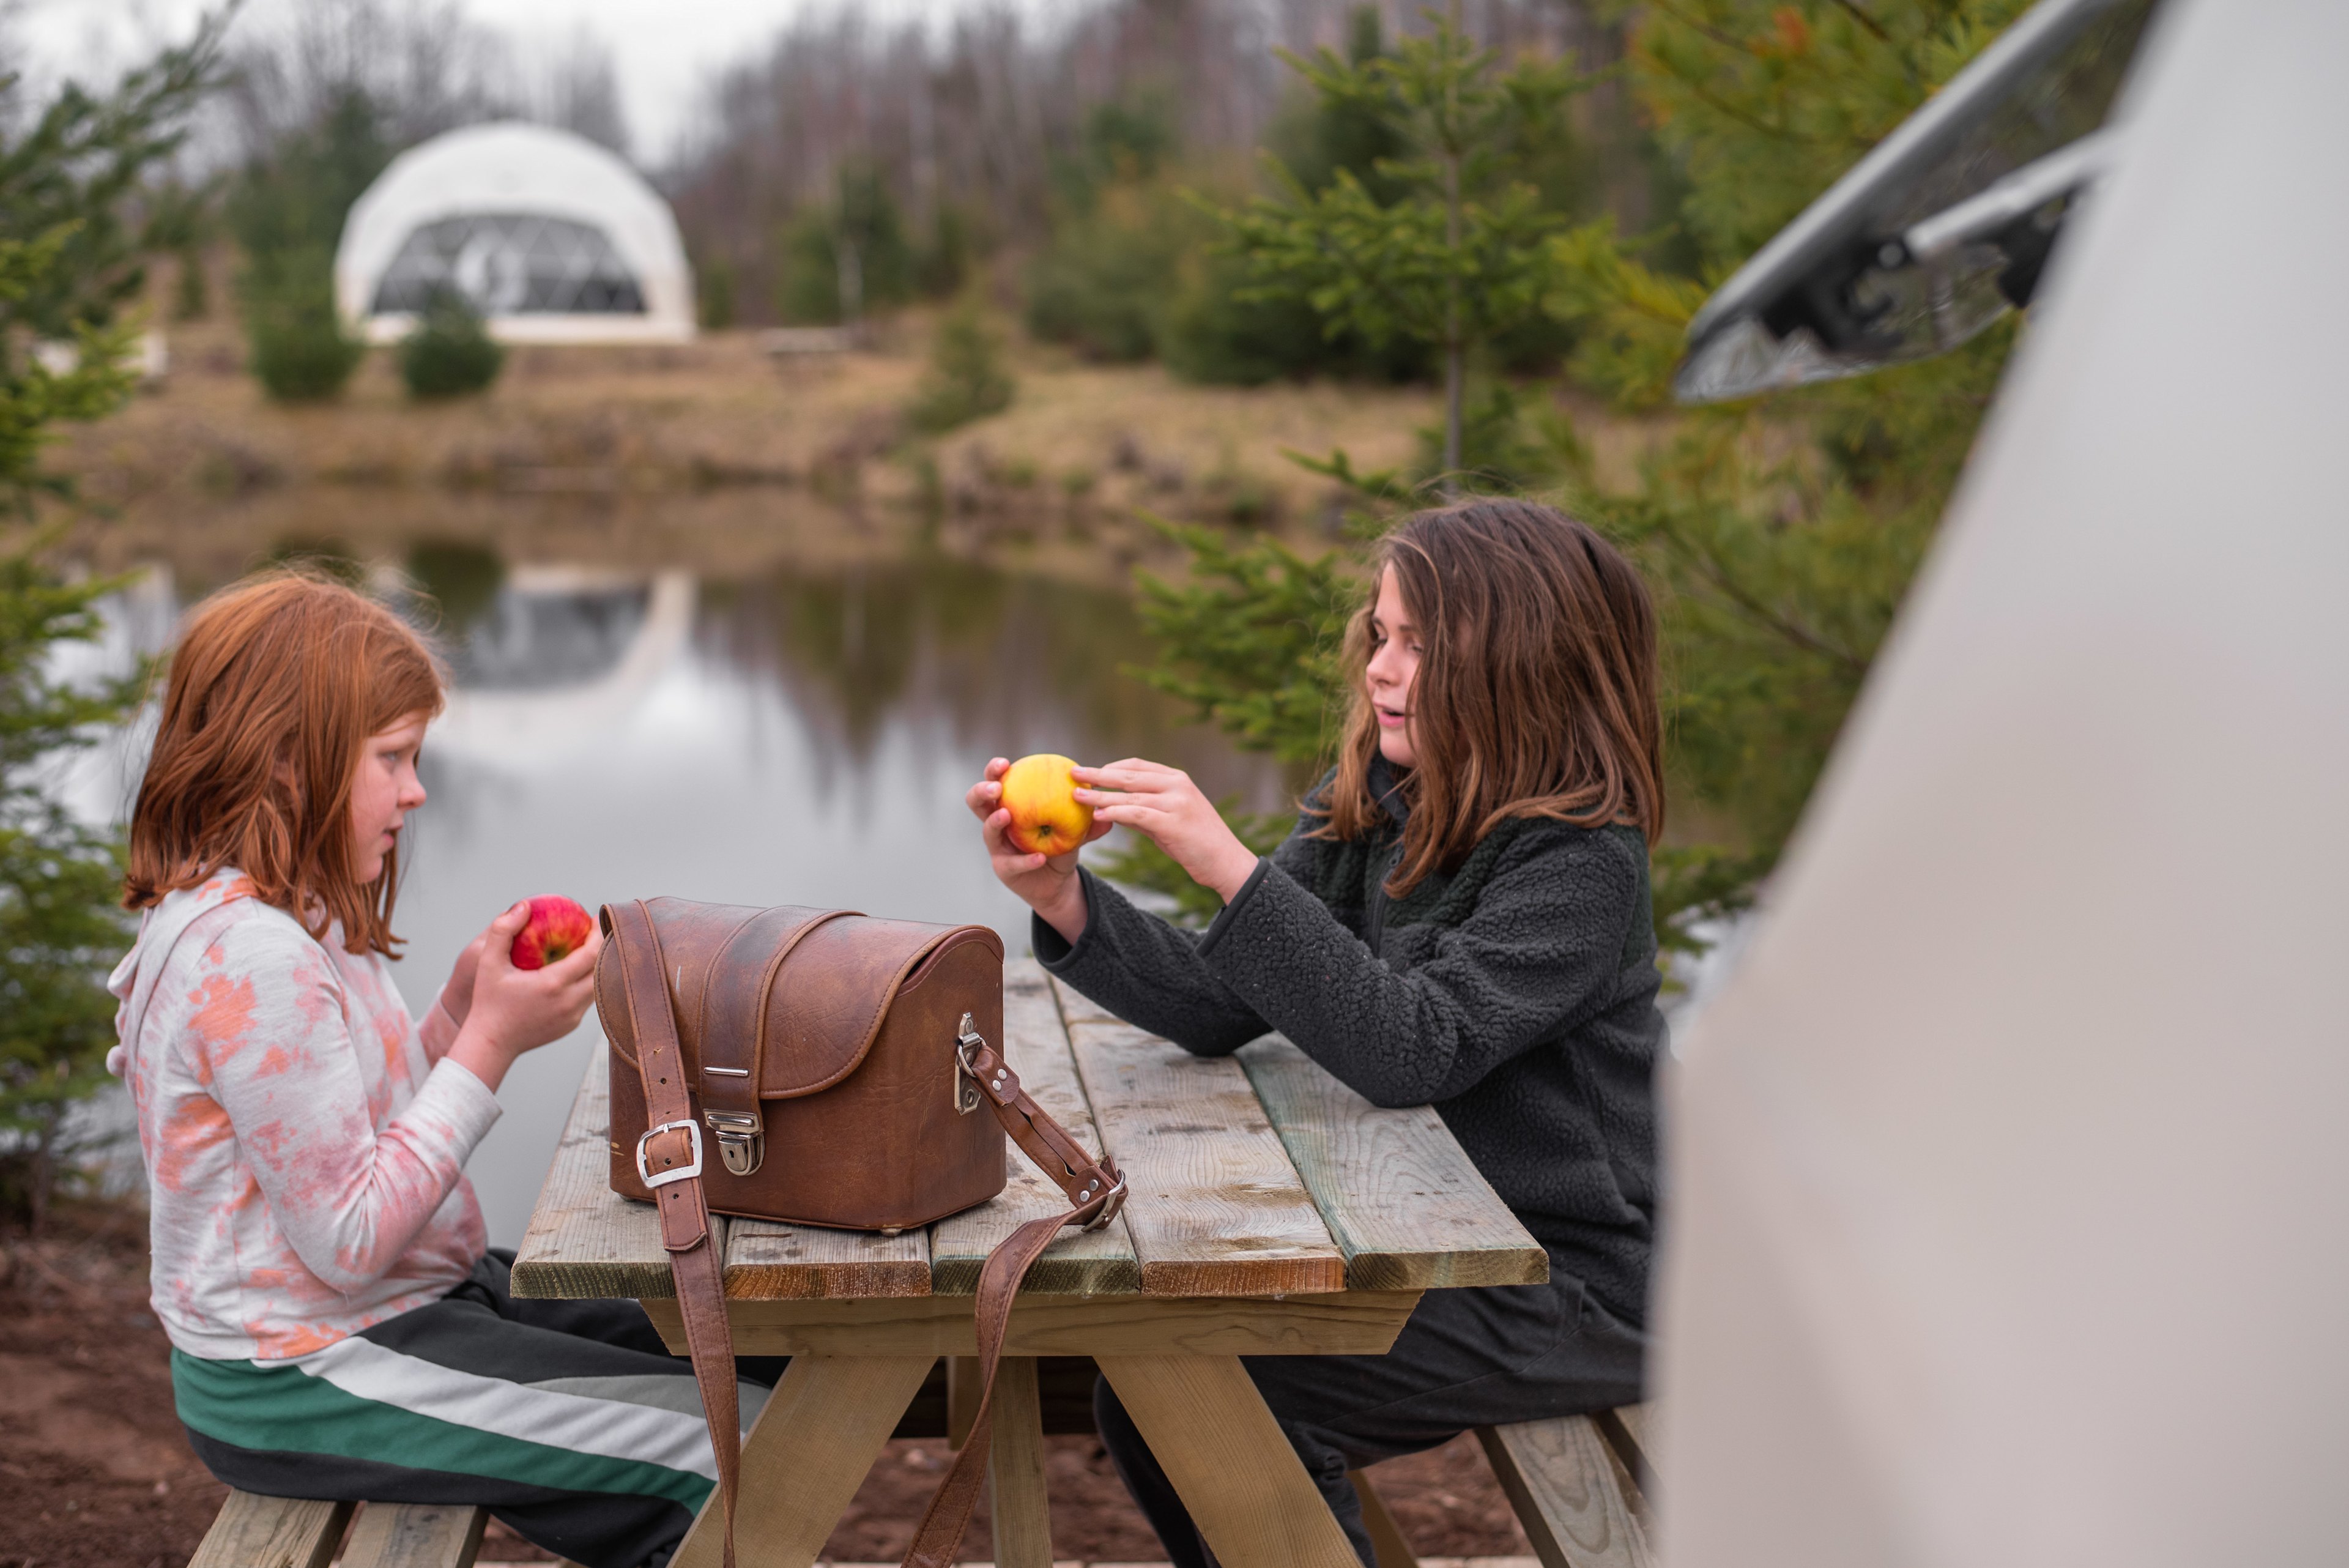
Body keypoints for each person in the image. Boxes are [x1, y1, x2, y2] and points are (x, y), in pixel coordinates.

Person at [968, 499, 1666, 1566]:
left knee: (1212, 1399)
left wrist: (1229, 865)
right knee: (1166, 1390)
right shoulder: (1383, 799)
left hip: (1569, 1281)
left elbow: (1412, 1048)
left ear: (1521, 665)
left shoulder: (1580, 863)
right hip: (1433, 1237)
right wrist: (1068, 899)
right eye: (1382, 636)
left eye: (1422, 646)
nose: (1382, 670)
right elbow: (1219, 1002)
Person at [110, 571, 760, 1568]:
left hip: (406, 1302)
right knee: (724, 1448)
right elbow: (349, 1236)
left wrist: (457, 1016)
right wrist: (489, 1049)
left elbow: (333, 1130)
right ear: (290, 759)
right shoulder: (253, 958)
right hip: (300, 1372)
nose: (416, 789)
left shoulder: (293, 909)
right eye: (394, 759)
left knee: (732, 1358)